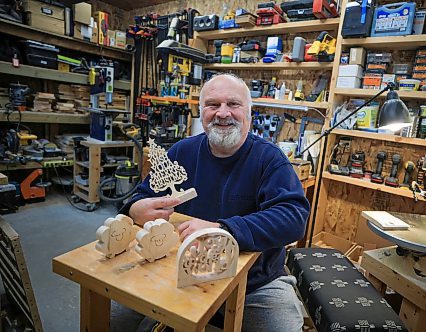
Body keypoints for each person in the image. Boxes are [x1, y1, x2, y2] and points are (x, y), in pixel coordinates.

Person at [120, 73, 310, 332]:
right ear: (202, 113)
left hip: (256, 283)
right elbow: (143, 196)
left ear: (249, 114)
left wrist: (222, 230)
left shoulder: (270, 159)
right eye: (212, 105)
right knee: (121, 320)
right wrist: (134, 209)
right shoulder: (181, 152)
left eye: (233, 104)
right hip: (182, 272)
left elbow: (294, 219)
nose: (222, 113)